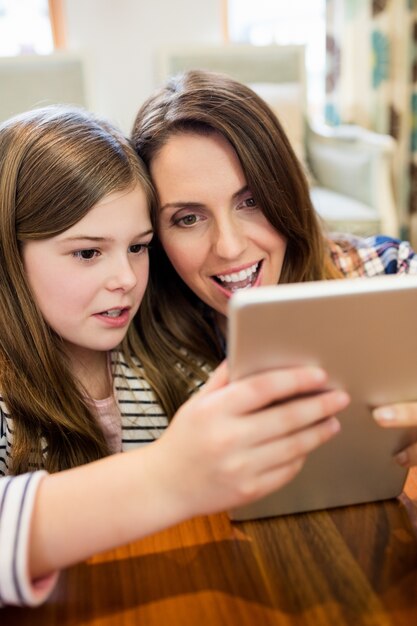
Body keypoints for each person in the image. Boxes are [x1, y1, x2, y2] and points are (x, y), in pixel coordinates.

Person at [0, 105, 349, 608]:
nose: (125, 278)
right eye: (87, 253)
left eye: (138, 247)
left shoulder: (159, 361)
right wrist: (166, 476)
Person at [131, 68, 417, 467]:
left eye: (250, 202)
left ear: (285, 190)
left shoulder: (387, 274)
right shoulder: (137, 355)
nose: (229, 248)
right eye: (189, 219)